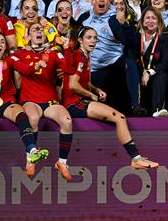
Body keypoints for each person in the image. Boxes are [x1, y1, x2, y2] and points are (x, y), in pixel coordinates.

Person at [62, 26, 159, 170]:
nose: (93, 41)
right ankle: (136, 159)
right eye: (89, 38)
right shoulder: (79, 56)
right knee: (119, 118)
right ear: (80, 40)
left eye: (95, 38)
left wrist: (96, 89)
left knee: (119, 117)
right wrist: (91, 95)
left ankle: (136, 158)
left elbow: (83, 81)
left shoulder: (85, 55)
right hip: (74, 103)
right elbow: (73, 84)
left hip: (79, 100)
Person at [0, 33, 49, 170]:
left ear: (5, 47)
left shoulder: (10, 60)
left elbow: (25, 69)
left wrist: (36, 67)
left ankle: (32, 150)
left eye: (2, 42)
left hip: (7, 100)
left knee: (22, 115)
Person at [14, 23, 74, 181]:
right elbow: (20, 67)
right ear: (28, 36)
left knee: (67, 121)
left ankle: (62, 162)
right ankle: (30, 162)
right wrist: (34, 65)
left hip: (50, 100)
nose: (39, 31)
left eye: (41, 29)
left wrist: (67, 49)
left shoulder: (54, 53)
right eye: (35, 30)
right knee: (32, 119)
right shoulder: (20, 53)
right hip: (30, 99)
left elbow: (69, 70)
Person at [135, 8, 168, 117]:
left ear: (159, 21)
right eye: (147, 18)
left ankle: (158, 109)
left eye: (154, 18)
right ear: (142, 21)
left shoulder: (165, 38)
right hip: (139, 75)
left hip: (155, 74)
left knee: (162, 75)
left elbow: (167, 62)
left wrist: (149, 72)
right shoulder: (136, 37)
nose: (150, 21)